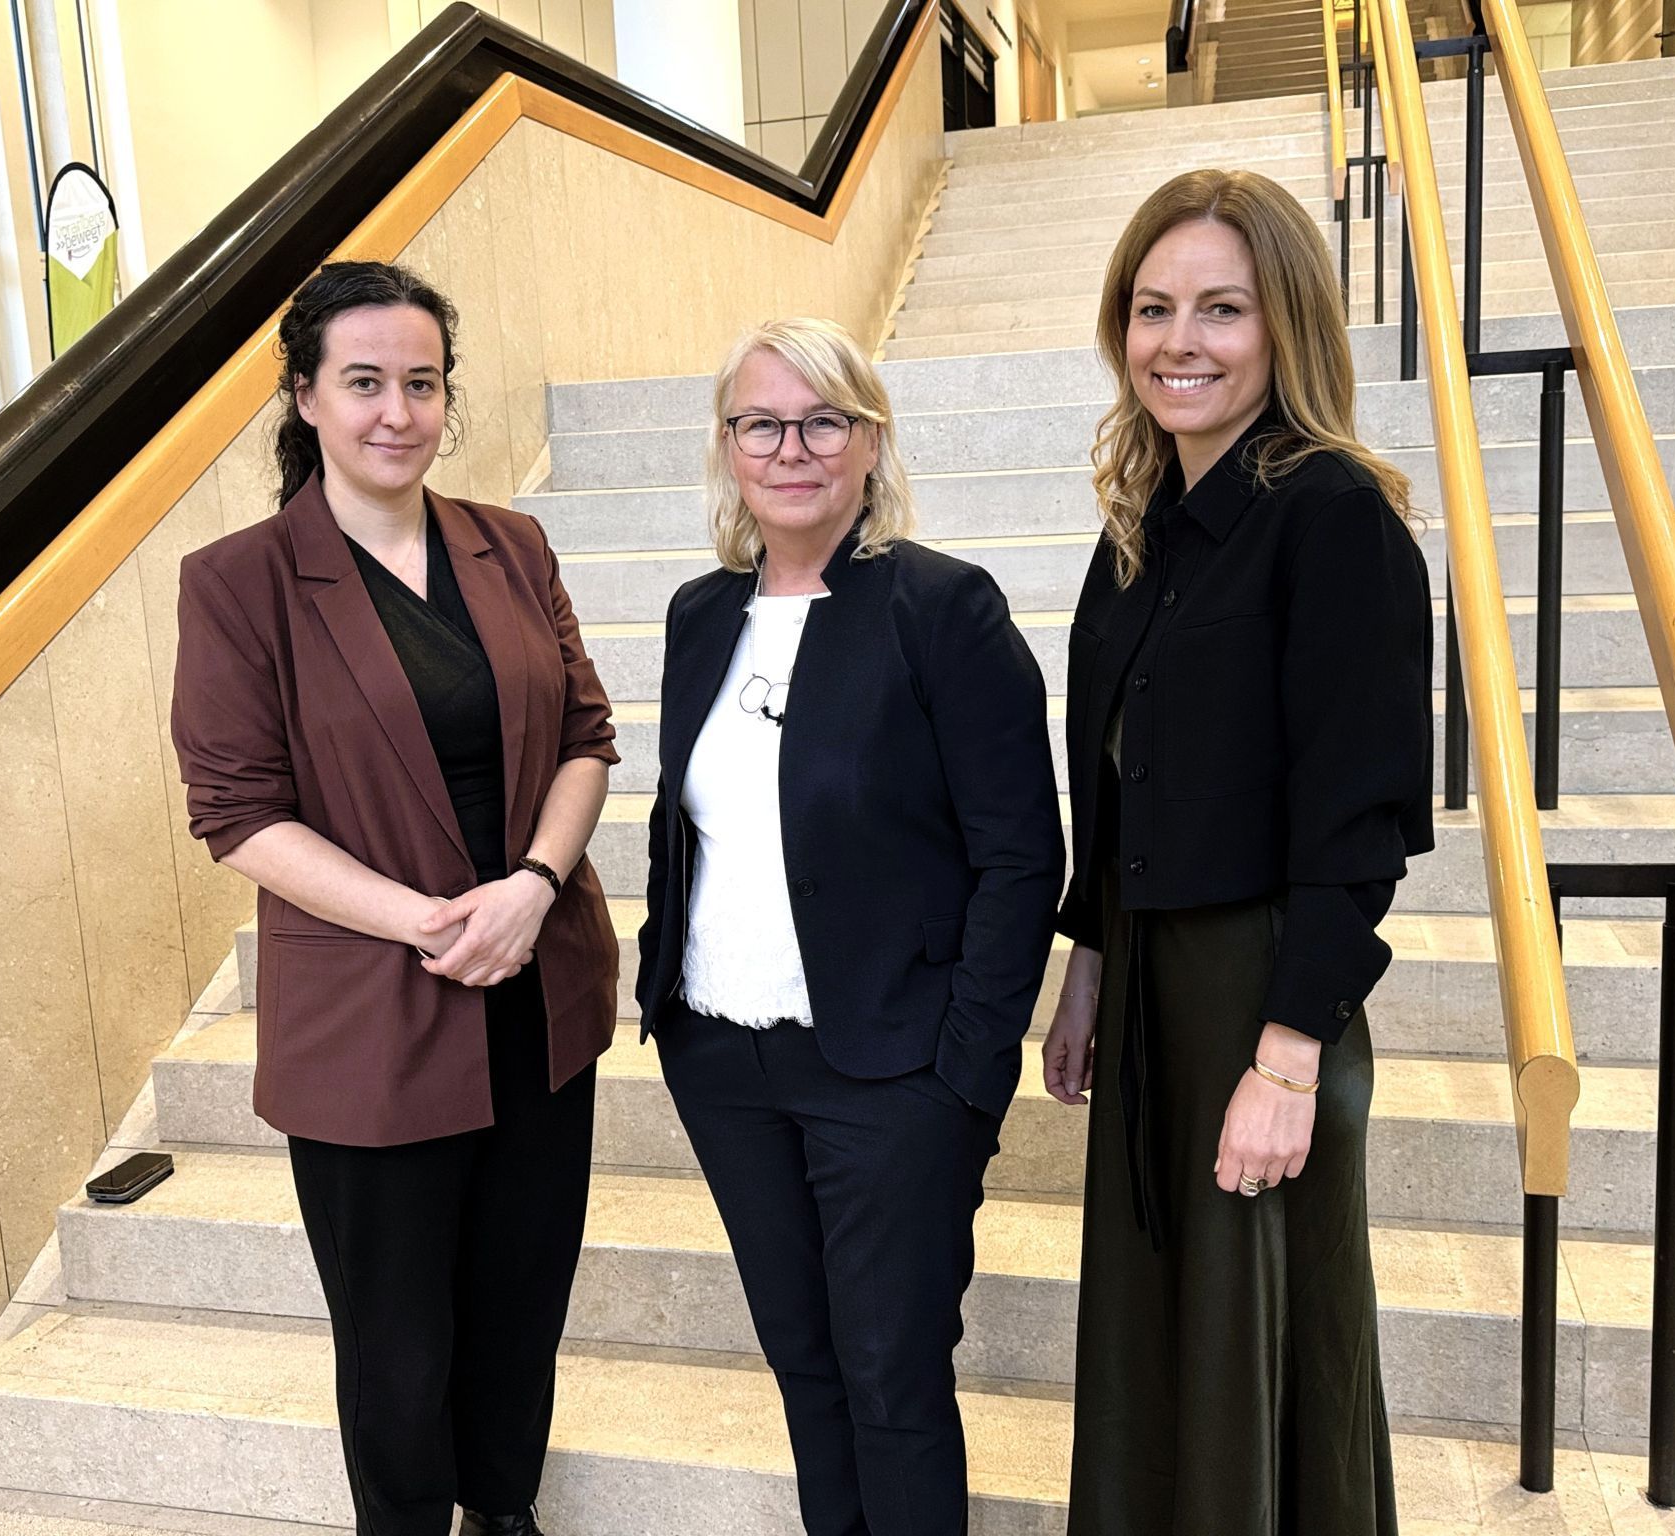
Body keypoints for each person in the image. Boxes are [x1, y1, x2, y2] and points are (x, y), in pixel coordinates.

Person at [170, 261, 619, 1536]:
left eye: (420, 383)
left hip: (538, 992)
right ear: (305, 397)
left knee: (521, 1300)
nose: (396, 412)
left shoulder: (509, 543)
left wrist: (530, 887)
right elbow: (239, 813)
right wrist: (431, 920)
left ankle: (508, 1510)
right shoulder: (240, 581)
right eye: (362, 382)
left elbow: (587, 736)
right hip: (374, 1012)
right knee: (397, 1341)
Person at [1042, 170, 1434, 1535]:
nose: (1179, 341)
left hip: (1260, 991)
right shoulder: (1141, 530)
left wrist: (1287, 1056)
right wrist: (1088, 960)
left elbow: (1360, 826)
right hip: (1151, 979)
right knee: (1162, 1338)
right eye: (1153, 308)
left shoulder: (1332, 516)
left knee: (1263, 1349)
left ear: (1288, 327)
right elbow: (1119, 786)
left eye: (1222, 307)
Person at [633, 316, 1065, 1535]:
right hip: (724, 1055)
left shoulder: (940, 609)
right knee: (804, 1364)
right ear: (727, 447)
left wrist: (964, 1075)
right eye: (760, 422)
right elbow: (696, 824)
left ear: (870, 442)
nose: (791, 447)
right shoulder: (696, 616)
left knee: (890, 1378)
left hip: (889, 1069)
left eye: (823, 419)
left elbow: (1020, 855)